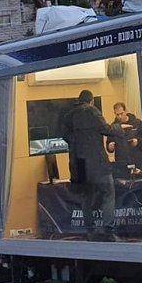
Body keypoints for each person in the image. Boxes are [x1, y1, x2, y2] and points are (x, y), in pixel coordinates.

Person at [60, 90, 116, 241]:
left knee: (86, 197)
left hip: (80, 163)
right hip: (98, 163)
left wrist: (78, 142)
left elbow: (65, 136)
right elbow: (106, 129)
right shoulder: (92, 111)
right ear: (91, 101)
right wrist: (119, 128)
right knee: (108, 194)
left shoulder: (69, 115)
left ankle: (90, 231)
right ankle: (108, 232)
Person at [108, 102, 142, 176]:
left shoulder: (137, 123)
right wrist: (110, 147)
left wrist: (138, 142)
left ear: (125, 111)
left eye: (121, 113)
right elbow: (109, 144)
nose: (120, 116)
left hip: (137, 160)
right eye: (117, 114)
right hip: (121, 162)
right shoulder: (113, 127)